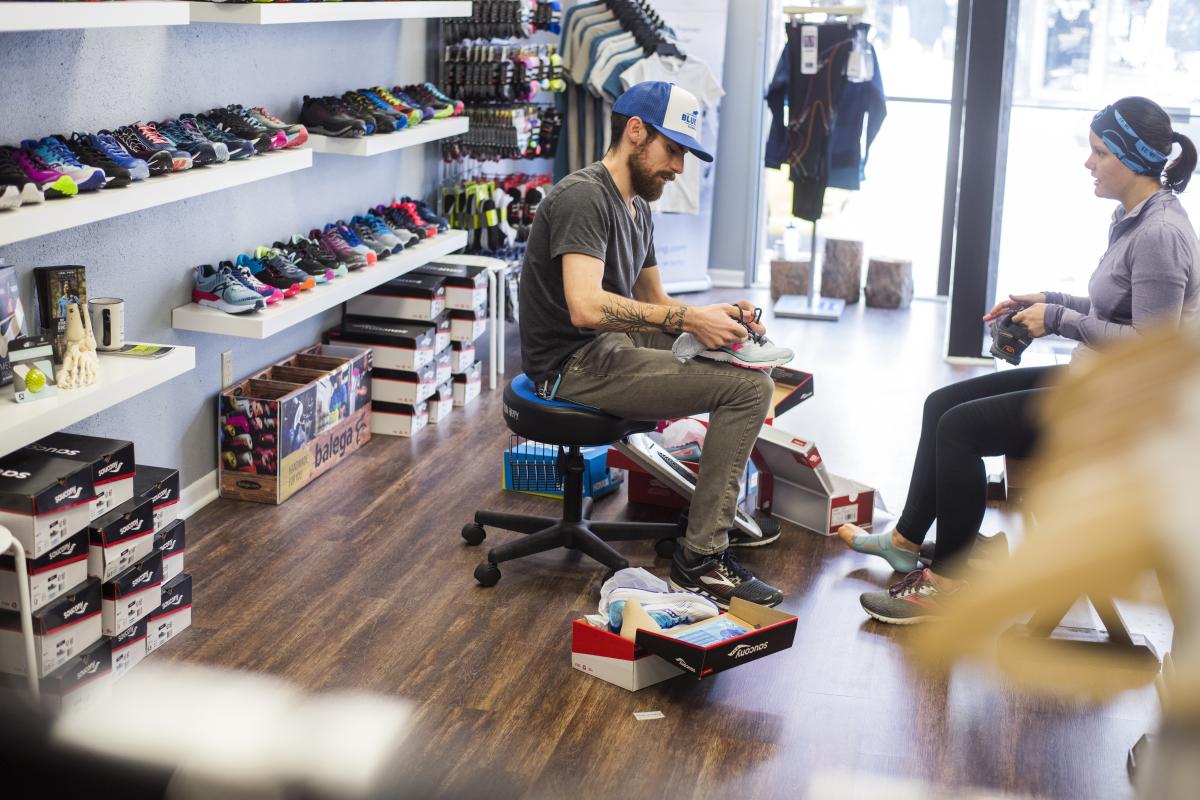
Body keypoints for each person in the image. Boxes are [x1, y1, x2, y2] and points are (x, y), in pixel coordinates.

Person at [840, 96, 1200, 624]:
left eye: (1098, 153)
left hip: (1125, 414)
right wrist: (1046, 301)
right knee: (943, 401)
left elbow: (1152, 348)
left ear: (1130, 159)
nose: (1087, 163)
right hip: (1096, 382)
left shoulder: (1160, 235)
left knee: (961, 429)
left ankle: (949, 584)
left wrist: (1055, 319)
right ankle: (904, 539)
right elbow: (1109, 307)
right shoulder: (1133, 218)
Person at [518, 81, 792, 609]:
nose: (679, 168)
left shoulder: (637, 207)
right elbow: (586, 307)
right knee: (747, 391)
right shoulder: (582, 197)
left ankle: (711, 535)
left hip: (610, 347)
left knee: (741, 362)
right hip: (572, 365)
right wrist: (688, 318)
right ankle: (702, 560)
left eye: (685, 154)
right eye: (673, 150)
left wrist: (717, 319)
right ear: (636, 133)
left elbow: (653, 300)